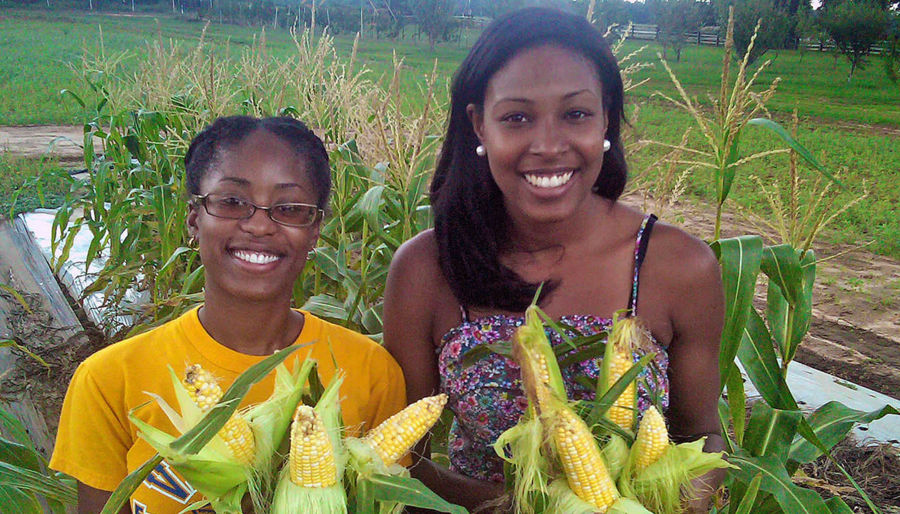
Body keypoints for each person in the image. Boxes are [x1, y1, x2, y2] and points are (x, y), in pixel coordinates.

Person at [383, 7, 725, 512]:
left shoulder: (679, 268)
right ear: (479, 125)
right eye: (517, 117)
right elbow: (401, 458)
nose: (547, 146)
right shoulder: (426, 269)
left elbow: (704, 437)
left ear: (606, 116)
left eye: (575, 114)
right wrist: (519, 505)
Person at [50, 116, 407, 514]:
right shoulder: (109, 380)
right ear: (193, 218)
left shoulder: (370, 372)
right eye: (232, 202)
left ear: (315, 230)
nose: (257, 225)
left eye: (288, 208)